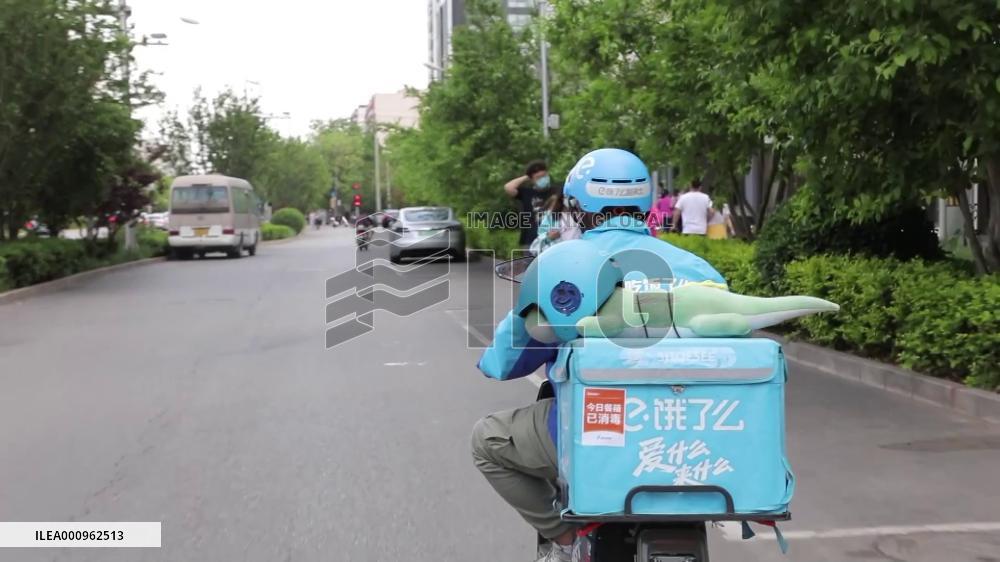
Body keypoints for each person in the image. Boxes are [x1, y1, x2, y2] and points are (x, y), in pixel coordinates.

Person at [472, 148, 726, 562]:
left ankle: (564, 537)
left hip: (594, 430)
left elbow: (505, 361)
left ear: (575, 206)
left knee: (488, 440)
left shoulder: (560, 269)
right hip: (691, 433)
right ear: (646, 202)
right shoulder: (700, 270)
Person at [505, 160, 554, 252]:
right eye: (538, 177)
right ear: (532, 180)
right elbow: (508, 187)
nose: (542, 179)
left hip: (552, 240)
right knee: (530, 266)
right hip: (530, 241)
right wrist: (527, 176)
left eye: (544, 176)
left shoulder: (556, 191)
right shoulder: (526, 193)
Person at [531, 186, 581, 255]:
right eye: (567, 196)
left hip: (579, 253)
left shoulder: (583, 215)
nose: (571, 199)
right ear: (562, 198)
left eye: (573, 196)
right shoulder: (551, 217)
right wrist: (549, 237)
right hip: (559, 255)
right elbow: (541, 237)